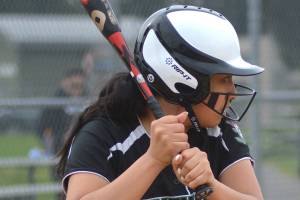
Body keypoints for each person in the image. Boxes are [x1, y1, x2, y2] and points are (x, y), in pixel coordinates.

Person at [57, 5, 264, 200]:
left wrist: (211, 186)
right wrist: (153, 160)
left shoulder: (219, 130)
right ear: (185, 81)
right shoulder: (103, 132)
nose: (233, 92)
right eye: (224, 80)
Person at [38, 68, 87, 157]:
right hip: (60, 140)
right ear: (65, 83)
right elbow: (44, 127)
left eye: (80, 86)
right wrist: (58, 138)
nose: (77, 90)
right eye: (74, 86)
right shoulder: (56, 101)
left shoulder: (87, 99)